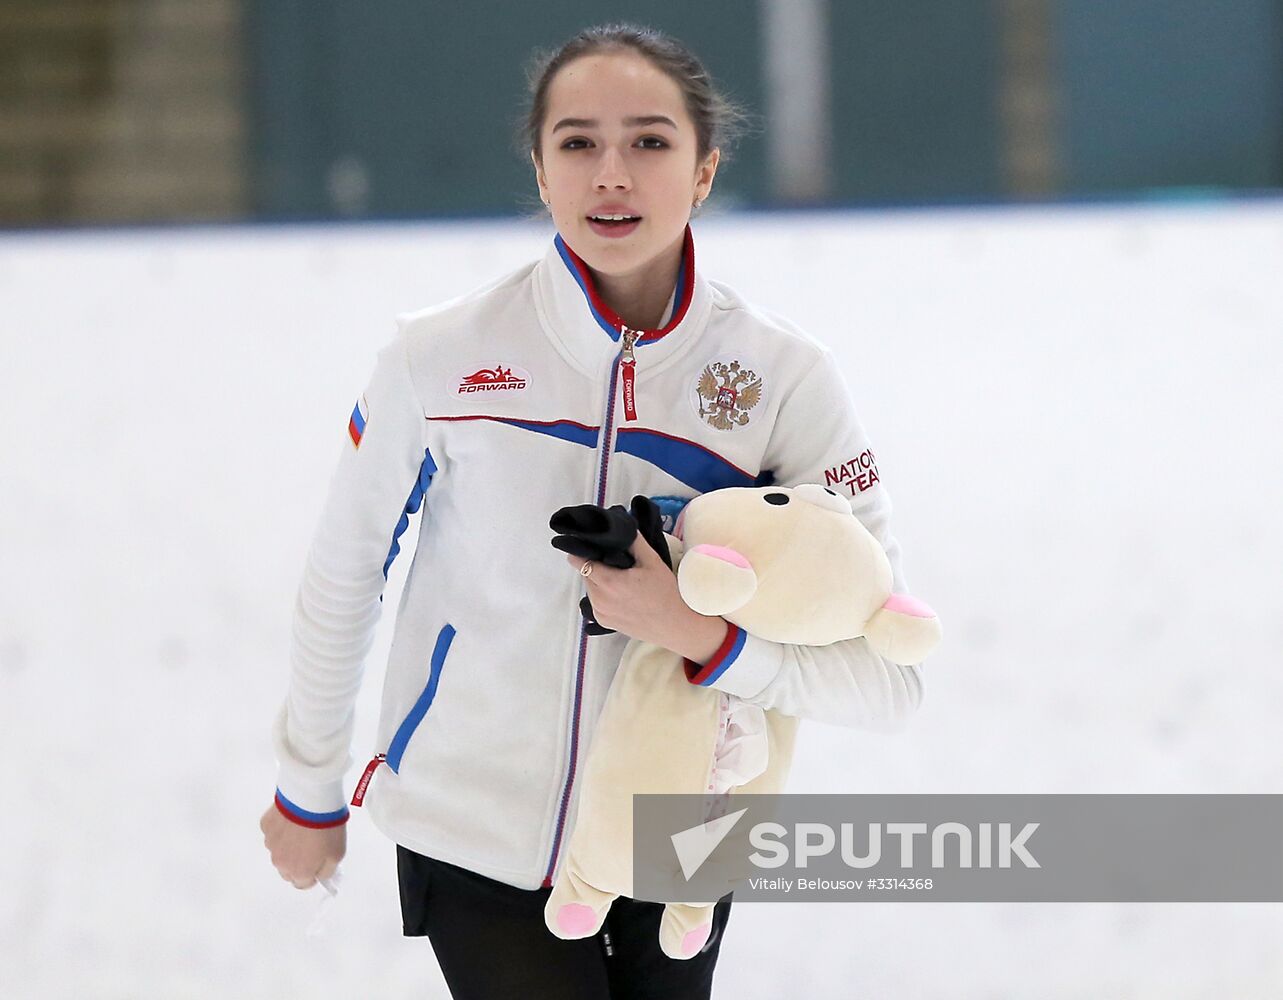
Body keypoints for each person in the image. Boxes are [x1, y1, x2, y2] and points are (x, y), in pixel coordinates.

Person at [259, 22, 925, 1000]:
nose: (610, 172)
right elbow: (343, 575)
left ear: (703, 170)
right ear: (538, 169)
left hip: (681, 834)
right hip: (474, 826)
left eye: (649, 142)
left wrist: (703, 637)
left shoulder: (782, 378)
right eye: (576, 143)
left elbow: (886, 676)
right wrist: (307, 788)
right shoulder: (437, 357)